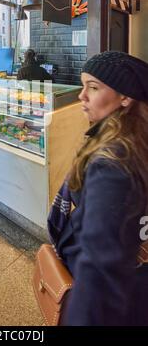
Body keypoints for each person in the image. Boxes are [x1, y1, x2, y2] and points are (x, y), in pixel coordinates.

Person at [48, 51, 148, 326]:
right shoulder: (135, 142)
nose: (82, 95)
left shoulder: (113, 163)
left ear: (125, 97)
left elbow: (100, 270)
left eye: (93, 87)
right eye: (83, 86)